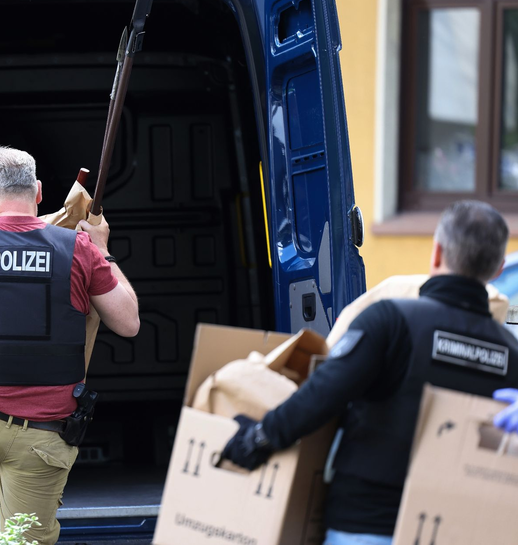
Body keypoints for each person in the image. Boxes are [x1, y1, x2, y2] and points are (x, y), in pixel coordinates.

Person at [221, 200, 518, 545]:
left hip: (367, 527)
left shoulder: (390, 320)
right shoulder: (510, 353)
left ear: (436, 253)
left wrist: (258, 438)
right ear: (498, 269)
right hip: (455, 531)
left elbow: (323, 394)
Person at [0, 146, 140, 545]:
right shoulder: (79, 250)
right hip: (44, 437)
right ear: (37, 192)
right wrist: (103, 248)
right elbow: (129, 323)